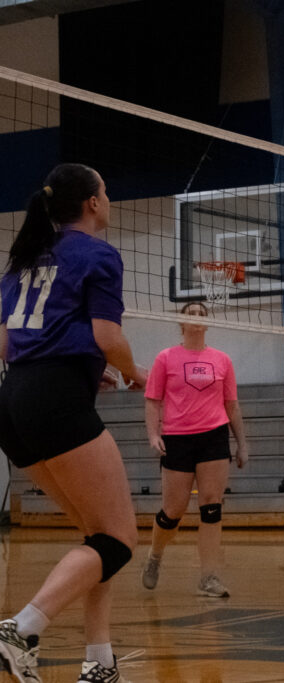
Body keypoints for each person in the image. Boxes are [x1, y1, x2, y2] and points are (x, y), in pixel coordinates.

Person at [0, 163, 148, 683]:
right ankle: (21, 627)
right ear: (92, 202)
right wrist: (135, 373)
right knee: (120, 540)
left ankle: (100, 662)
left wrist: (82, 365)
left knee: (97, 536)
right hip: (55, 399)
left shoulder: (22, 261)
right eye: (106, 190)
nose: (109, 199)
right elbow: (109, 337)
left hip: (14, 399)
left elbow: (6, 347)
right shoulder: (98, 254)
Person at [140, 301, 249, 598]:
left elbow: (232, 405)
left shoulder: (222, 360)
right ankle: (154, 556)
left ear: (208, 323)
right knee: (173, 511)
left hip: (214, 436)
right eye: (192, 314)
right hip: (177, 438)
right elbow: (152, 400)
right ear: (181, 322)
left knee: (212, 506)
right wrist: (153, 435)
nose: (198, 317)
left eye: (202, 314)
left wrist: (241, 444)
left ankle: (209, 577)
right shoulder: (166, 358)